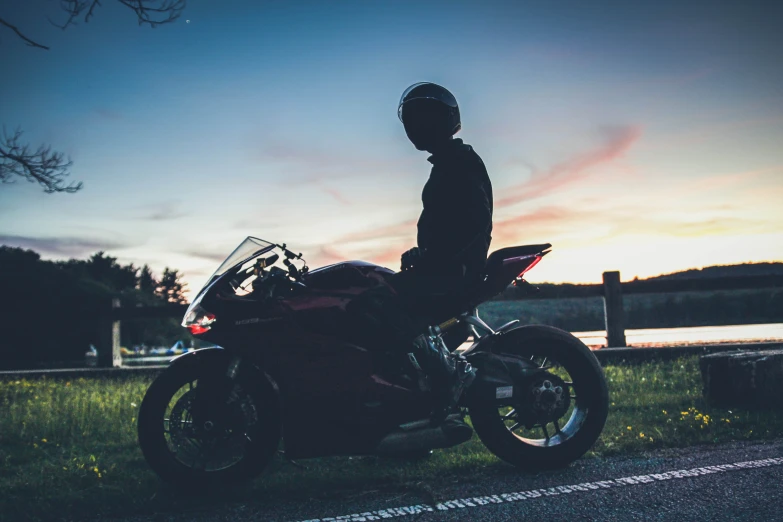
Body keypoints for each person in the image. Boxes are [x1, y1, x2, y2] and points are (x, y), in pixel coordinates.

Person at [353, 82, 493, 425]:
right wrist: (422, 253)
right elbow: (449, 224)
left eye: (424, 117)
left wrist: (435, 260)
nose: (416, 126)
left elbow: (474, 223)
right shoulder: (447, 164)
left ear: (445, 119)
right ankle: (411, 399)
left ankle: (448, 377)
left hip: (454, 272)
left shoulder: (461, 162)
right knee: (371, 293)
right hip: (444, 267)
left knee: (376, 303)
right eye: (411, 119)